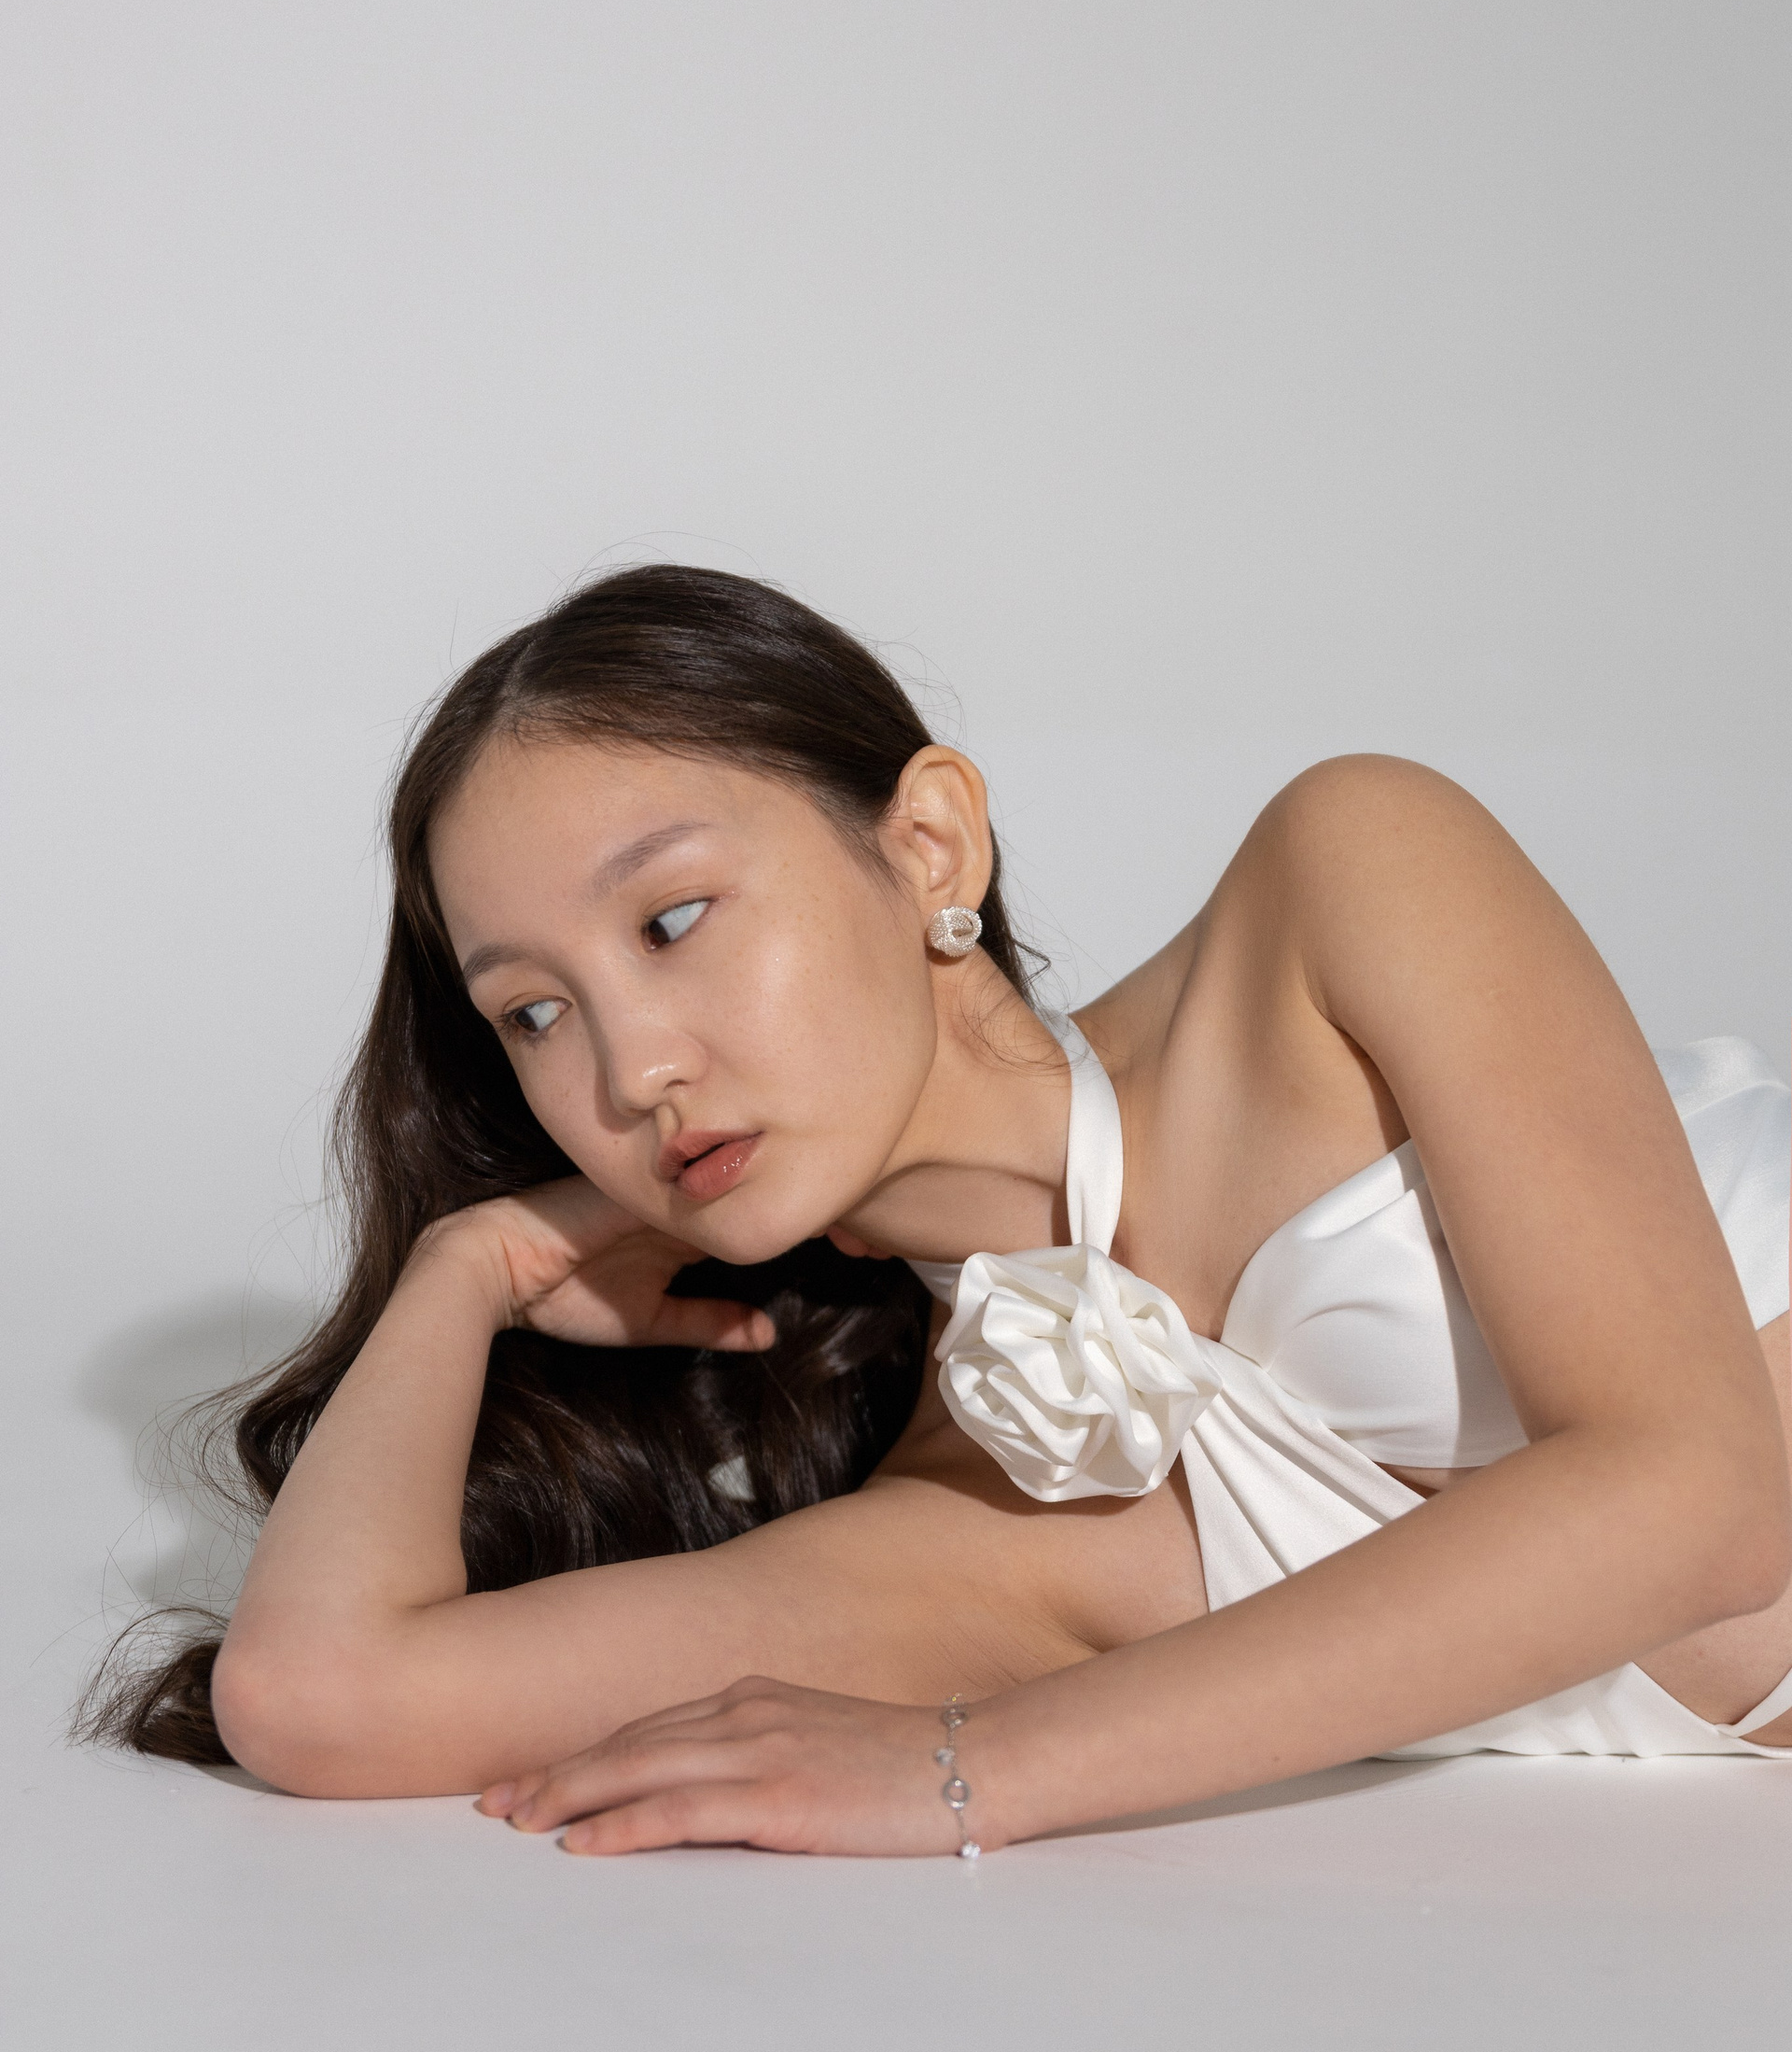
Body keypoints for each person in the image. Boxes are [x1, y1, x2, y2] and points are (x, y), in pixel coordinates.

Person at [86, 566, 1792, 1857]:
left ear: (929, 845)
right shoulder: (980, 1511)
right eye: (533, 1013)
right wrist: (465, 1271)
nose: (632, 1068)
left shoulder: (1341, 896)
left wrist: (979, 1770)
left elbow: (1704, 1496)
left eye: (672, 920)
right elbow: (321, 1697)